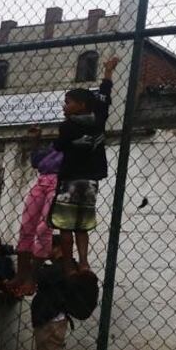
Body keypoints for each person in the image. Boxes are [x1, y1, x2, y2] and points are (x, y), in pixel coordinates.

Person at [50, 56, 119, 274]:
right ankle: (84, 262)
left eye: (68, 102)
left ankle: (69, 264)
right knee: (82, 224)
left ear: (80, 105)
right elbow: (104, 94)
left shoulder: (67, 126)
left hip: (70, 179)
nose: (64, 105)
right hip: (90, 180)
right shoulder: (99, 117)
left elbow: (59, 147)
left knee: (65, 224)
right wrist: (108, 71)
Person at [7, 131, 63, 297]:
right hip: (42, 180)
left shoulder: (75, 141)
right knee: (26, 227)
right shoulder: (55, 145)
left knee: (44, 229)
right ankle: (20, 275)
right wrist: (35, 141)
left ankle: (32, 277)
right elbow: (36, 162)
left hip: (59, 181)